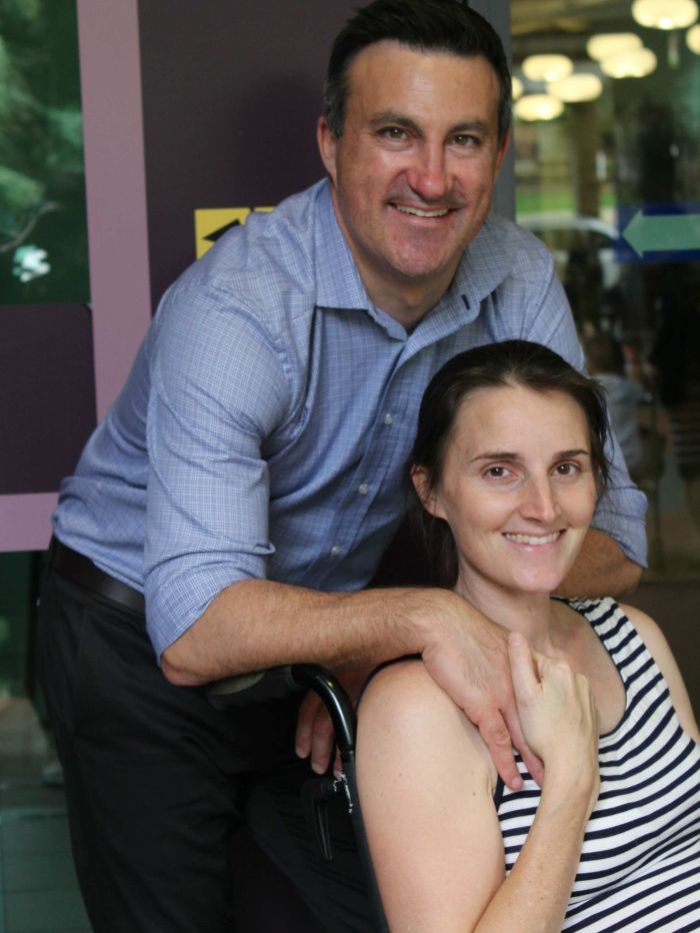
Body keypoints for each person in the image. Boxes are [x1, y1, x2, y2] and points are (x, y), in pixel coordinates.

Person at [36, 2, 647, 931]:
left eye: (466, 139)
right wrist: (417, 619)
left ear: (502, 153)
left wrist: (383, 642)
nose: (433, 179)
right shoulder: (237, 307)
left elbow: (612, 536)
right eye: (397, 133)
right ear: (329, 143)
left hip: (323, 638)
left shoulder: (516, 279)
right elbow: (195, 624)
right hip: (138, 638)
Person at [356, 340, 700, 932]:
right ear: (431, 490)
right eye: (499, 471)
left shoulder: (633, 636)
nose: (543, 507)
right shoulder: (415, 709)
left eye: (566, 468)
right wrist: (571, 776)